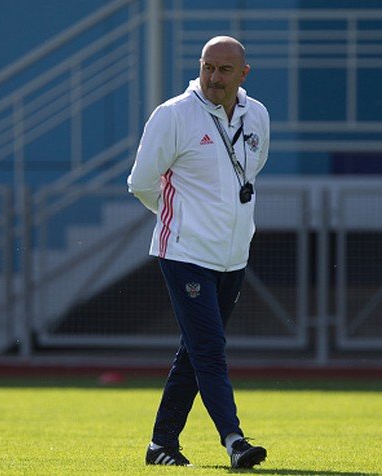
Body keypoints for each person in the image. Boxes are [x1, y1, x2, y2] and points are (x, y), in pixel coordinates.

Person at [126, 36, 269, 469]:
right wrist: (179, 216)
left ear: (243, 73)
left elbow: (250, 173)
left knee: (195, 350)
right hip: (184, 252)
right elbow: (141, 182)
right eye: (208, 67)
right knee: (209, 347)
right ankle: (234, 440)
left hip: (233, 256)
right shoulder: (174, 114)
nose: (214, 77)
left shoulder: (258, 114)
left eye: (224, 70)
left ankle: (161, 444)